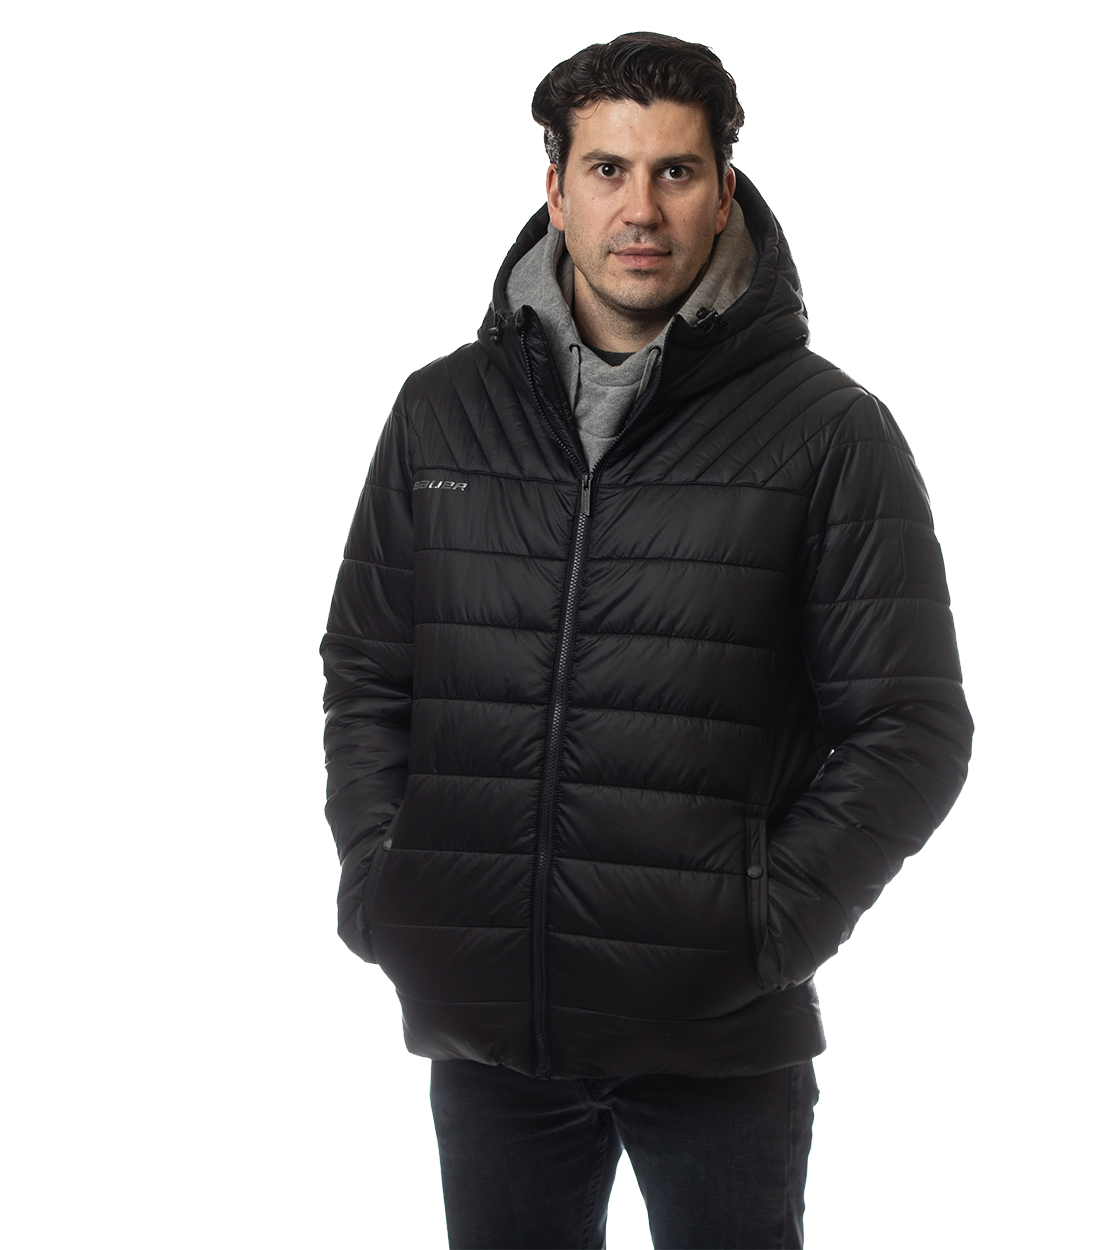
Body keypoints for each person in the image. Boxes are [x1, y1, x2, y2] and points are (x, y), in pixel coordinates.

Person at [321, 31, 973, 1250]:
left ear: (723, 191)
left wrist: (759, 925)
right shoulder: (440, 411)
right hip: (488, 1038)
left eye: (674, 171)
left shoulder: (827, 431)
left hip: (717, 1049)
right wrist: (385, 882)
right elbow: (366, 667)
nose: (640, 208)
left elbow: (912, 726)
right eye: (607, 169)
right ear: (554, 190)